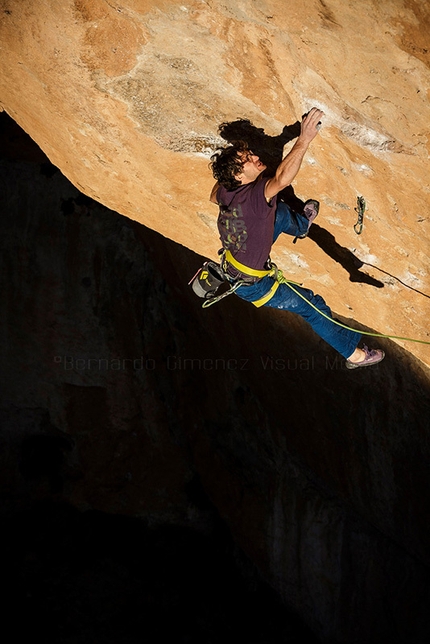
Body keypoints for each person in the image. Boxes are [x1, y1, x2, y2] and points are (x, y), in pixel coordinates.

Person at [209, 107, 385, 369]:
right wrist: (304, 139)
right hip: (256, 286)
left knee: (278, 212)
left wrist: (237, 169)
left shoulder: (226, 191)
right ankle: (354, 356)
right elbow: (281, 177)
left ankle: (301, 225)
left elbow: (214, 195)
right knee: (312, 307)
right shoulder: (256, 197)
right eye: (248, 158)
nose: (255, 156)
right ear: (238, 175)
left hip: (237, 266)